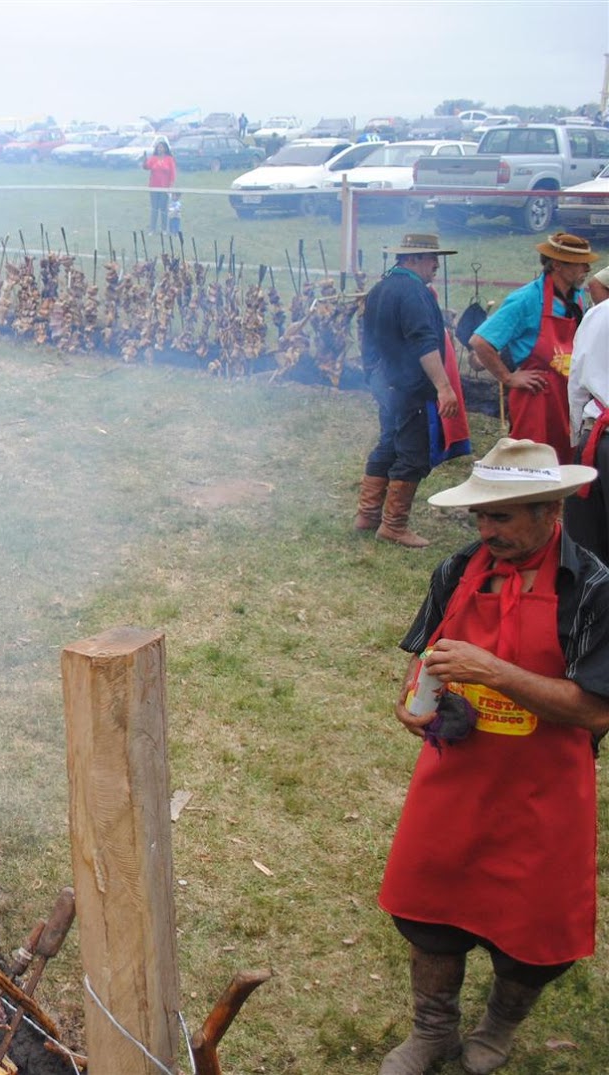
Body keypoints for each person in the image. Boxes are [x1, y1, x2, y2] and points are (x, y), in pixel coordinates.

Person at [377, 437, 609, 1075]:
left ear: (549, 511)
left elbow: (596, 710)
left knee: (533, 936)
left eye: (501, 516)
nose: (486, 530)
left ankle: (499, 1030)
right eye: (480, 516)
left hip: (544, 789)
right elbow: (426, 659)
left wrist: (496, 672)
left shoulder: (590, 588)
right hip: (456, 777)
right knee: (428, 909)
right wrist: (412, 704)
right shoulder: (457, 569)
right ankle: (433, 1031)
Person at [356, 233, 463, 548]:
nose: (436, 266)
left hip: (384, 382)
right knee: (412, 452)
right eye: (433, 259)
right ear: (414, 258)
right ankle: (393, 526)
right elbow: (423, 341)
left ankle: (367, 515)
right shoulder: (414, 292)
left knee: (388, 444)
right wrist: (443, 387)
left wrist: (372, 376)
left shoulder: (381, 288)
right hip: (410, 386)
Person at [470, 232, 595, 464]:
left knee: (565, 466)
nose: (587, 268)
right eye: (580, 263)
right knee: (531, 466)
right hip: (536, 399)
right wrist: (508, 377)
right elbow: (480, 341)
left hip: (566, 398)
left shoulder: (576, 299)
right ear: (557, 264)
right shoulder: (526, 300)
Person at [563, 264, 609, 560]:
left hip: (596, 439)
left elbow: (576, 384)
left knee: (588, 548)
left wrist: (577, 436)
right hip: (599, 437)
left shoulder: (597, 314)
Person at [142, 139, 175, 232]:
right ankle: (152, 229)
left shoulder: (169, 159)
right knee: (154, 209)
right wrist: (144, 160)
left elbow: (172, 173)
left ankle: (164, 229)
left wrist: (170, 186)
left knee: (163, 209)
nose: (160, 149)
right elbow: (146, 167)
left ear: (165, 148)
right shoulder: (153, 158)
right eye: (158, 147)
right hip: (153, 187)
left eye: (161, 147)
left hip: (165, 188)